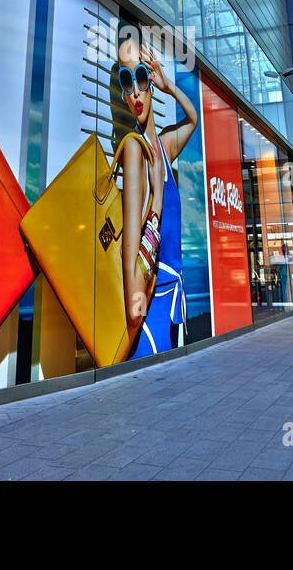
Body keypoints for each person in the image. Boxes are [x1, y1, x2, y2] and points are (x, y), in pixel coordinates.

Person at [113, 35, 198, 358]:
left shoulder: (163, 148)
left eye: (141, 77)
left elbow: (193, 119)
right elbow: (131, 256)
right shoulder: (135, 154)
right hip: (152, 319)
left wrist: (168, 85)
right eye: (126, 79)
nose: (135, 90)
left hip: (171, 306)